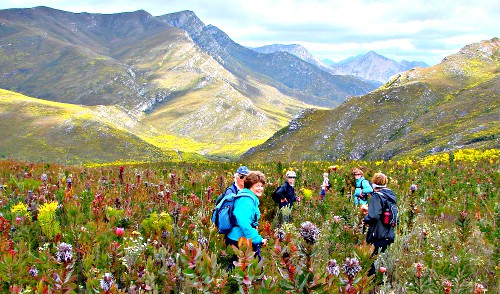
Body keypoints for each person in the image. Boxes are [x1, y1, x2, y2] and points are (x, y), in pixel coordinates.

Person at [226, 171, 268, 269]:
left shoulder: (247, 197)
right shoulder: (246, 200)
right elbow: (243, 221)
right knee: (255, 267)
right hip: (239, 239)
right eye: (257, 186)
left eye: (262, 186)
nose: (260, 188)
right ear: (250, 186)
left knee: (236, 267)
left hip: (238, 237)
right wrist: (257, 239)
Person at [362, 172, 397, 276]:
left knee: (371, 262)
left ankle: (373, 287)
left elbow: (373, 216)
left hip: (377, 235)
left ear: (374, 182)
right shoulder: (390, 196)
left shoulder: (377, 196)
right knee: (382, 261)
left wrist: (365, 219)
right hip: (389, 234)